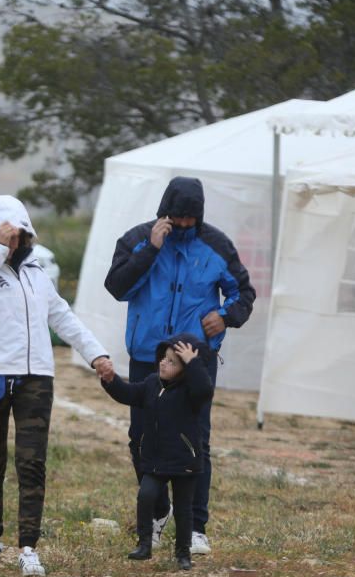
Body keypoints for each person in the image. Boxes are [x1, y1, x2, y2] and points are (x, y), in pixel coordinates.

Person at [0, 195, 113, 577]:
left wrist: (97, 355)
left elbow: (63, 317)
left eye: (20, 236)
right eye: (8, 234)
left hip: (36, 377)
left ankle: (29, 546)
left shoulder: (38, 273)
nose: (15, 243)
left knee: (32, 461)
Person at [104, 176, 255, 556]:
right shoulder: (137, 239)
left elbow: (244, 293)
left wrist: (225, 316)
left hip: (194, 360)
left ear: (199, 216)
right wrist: (150, 250)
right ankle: (158, 514)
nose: (184, 225)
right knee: (141, 437)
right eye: (178, 218)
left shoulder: (217, 245)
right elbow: (117, 287)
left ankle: (197, 527)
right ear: (164, 213)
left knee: (196, 440)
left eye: (191, 219)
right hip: (147, 357)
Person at [98, 333, 214, 570]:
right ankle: (144, 544)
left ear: (184, 370)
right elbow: (128, 393)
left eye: (172, 361)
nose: (163, 363)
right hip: (156, 461)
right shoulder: (151, 384)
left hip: (185, 462)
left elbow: (205, 389)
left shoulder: (191, 393)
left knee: (184, 510)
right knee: (146, 496)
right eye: (163, 358)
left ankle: (183, 554)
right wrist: (111, 380)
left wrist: (193, 363)